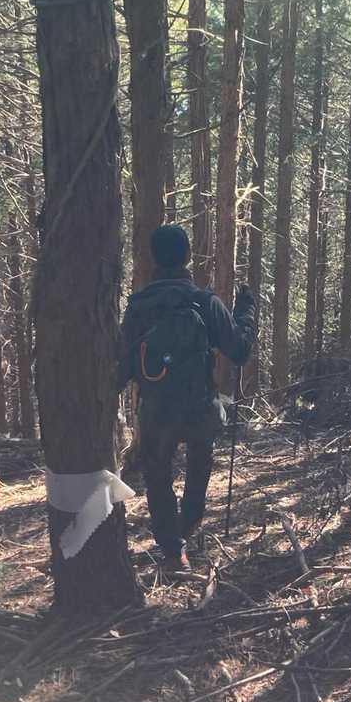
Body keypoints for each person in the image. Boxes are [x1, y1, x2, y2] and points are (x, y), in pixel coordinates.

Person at [118, 224, 256, 572]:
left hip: (156, 409)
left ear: (153, 258)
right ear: (187, 257)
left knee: (157, 475)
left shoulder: (138, 307)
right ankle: (189, 524)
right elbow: (239, 351)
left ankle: (172, 549)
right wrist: (245, 311)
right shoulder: (204, 302)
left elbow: (123, 365)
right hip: (200, 407)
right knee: (199, 464)